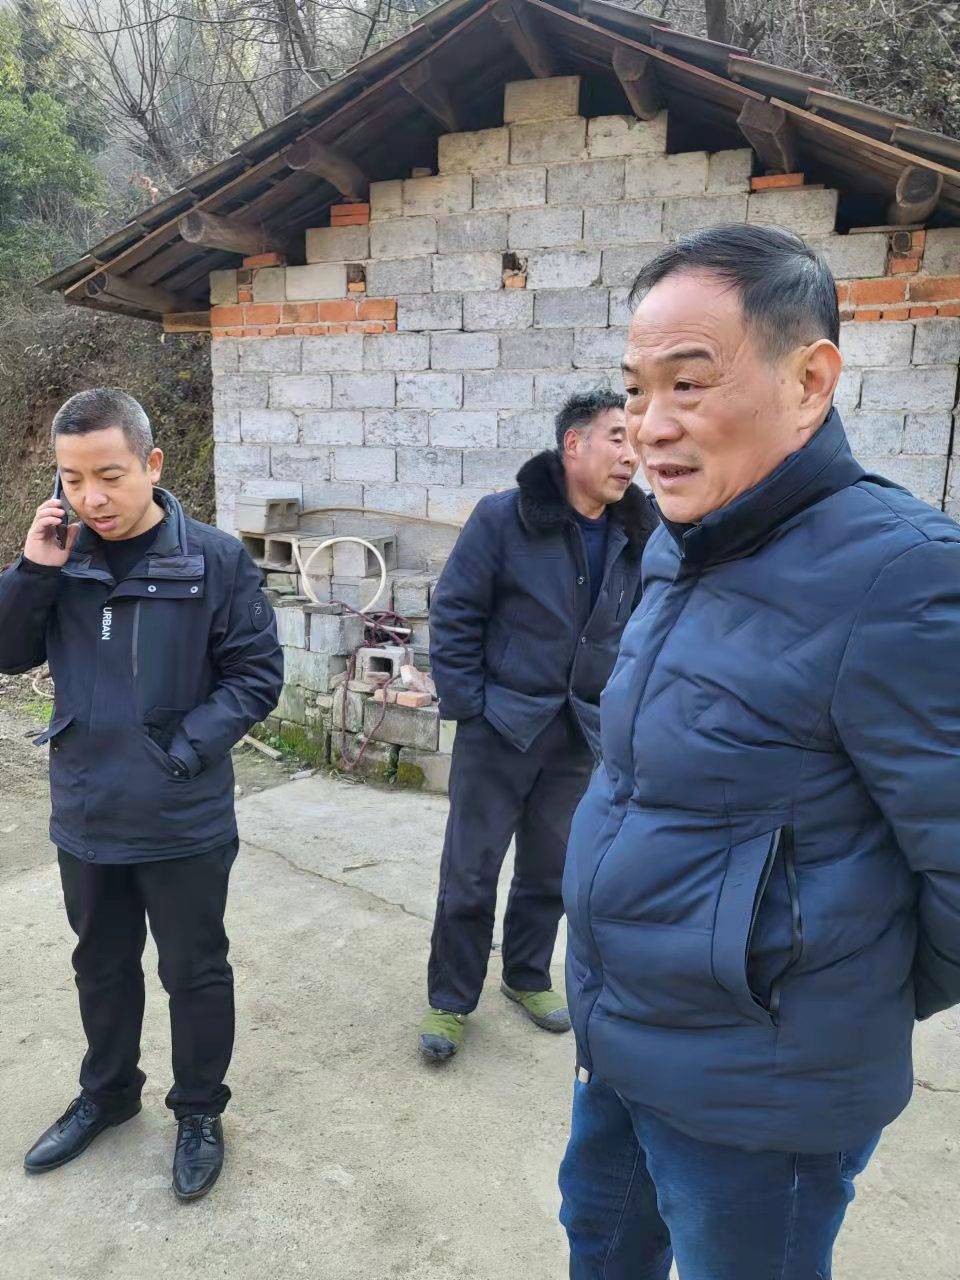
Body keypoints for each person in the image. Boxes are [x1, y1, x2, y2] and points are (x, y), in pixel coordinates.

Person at [558, 224, 960, 1278]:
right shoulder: (680, 544)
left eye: (689, 384)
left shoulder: (901, 575)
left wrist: (830, 992)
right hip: (622, 1035)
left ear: (810, 380)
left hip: (758, 1097)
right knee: (600, 1247)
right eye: (636, 391)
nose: (650, 425)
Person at [0, 388, 283, 1201]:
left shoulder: (213, 560)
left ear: (152, 465)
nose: (91, 498)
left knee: (194, 972)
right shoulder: (61, 557)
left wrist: (180, 754)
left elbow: (255, 675)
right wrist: (33, 569)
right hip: (87, 809)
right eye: (72, 479)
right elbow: (8, 653)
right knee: (100, 965)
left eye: (110, 475)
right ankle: (109, 1093)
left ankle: (198, 1111)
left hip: (181, 816)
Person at [419, 390, 657, 1062]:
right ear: (574, 445)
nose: (632, 455)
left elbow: (644, 628)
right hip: (500, 726)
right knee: (470, 871)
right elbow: (455, 612)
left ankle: (526, 975)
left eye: (634, 441)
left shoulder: (639, 533)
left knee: (551, 868)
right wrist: (471, 707)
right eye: (618, 437)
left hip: (579, 730)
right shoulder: (504, 518)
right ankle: (450, 1000)